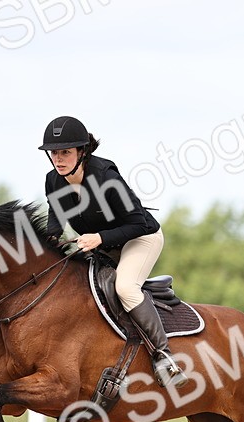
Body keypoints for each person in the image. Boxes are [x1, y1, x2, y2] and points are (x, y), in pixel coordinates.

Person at [39, 115, 190, 389]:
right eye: (54, 153)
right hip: (104, 246)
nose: (58, 159)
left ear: (82, 152)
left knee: (125, 287)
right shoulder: (53, 180)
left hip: (141, 238)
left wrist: (99, 237)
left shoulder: (106, 178)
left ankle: (164, 355)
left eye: (65, 152)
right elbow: (56, 219)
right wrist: (45, 245)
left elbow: (138, 223)